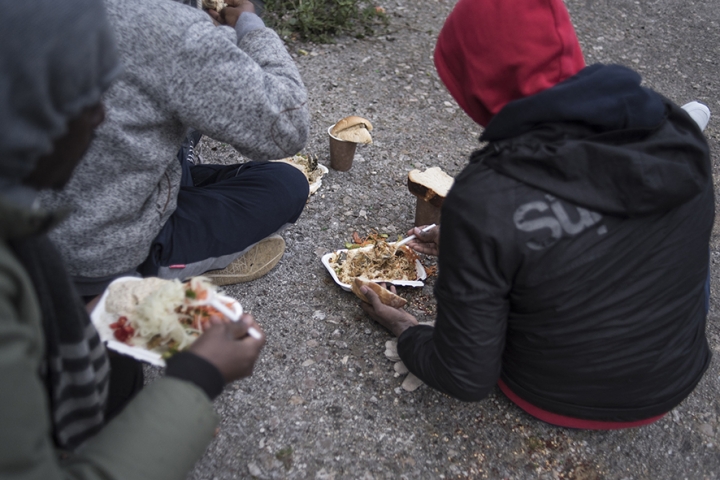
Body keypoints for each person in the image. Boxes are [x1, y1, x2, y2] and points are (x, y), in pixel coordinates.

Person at [360, 0, 713, 429]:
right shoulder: (675, 129)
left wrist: (410, 332)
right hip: (677, 378)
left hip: (556, 397)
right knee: (657, 232)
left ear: (475, 85)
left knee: (509, 249)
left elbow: (465, 376)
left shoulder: (486, 195)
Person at [0, 1, 266, 477]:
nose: (103, 118)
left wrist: (68, 320)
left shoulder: (24, 236)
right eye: (89, 98)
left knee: (109, 358)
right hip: (110, 262)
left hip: (85, 282)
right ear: (28, 118)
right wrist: (197, 379)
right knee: (118, 387)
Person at [39, 0, 311, 298]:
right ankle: (181, 271)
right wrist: (248, 26)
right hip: (99, 258)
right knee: (287, 184)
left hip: (23, 227)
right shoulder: (169, 29)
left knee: (179, 115)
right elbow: (289, 125)